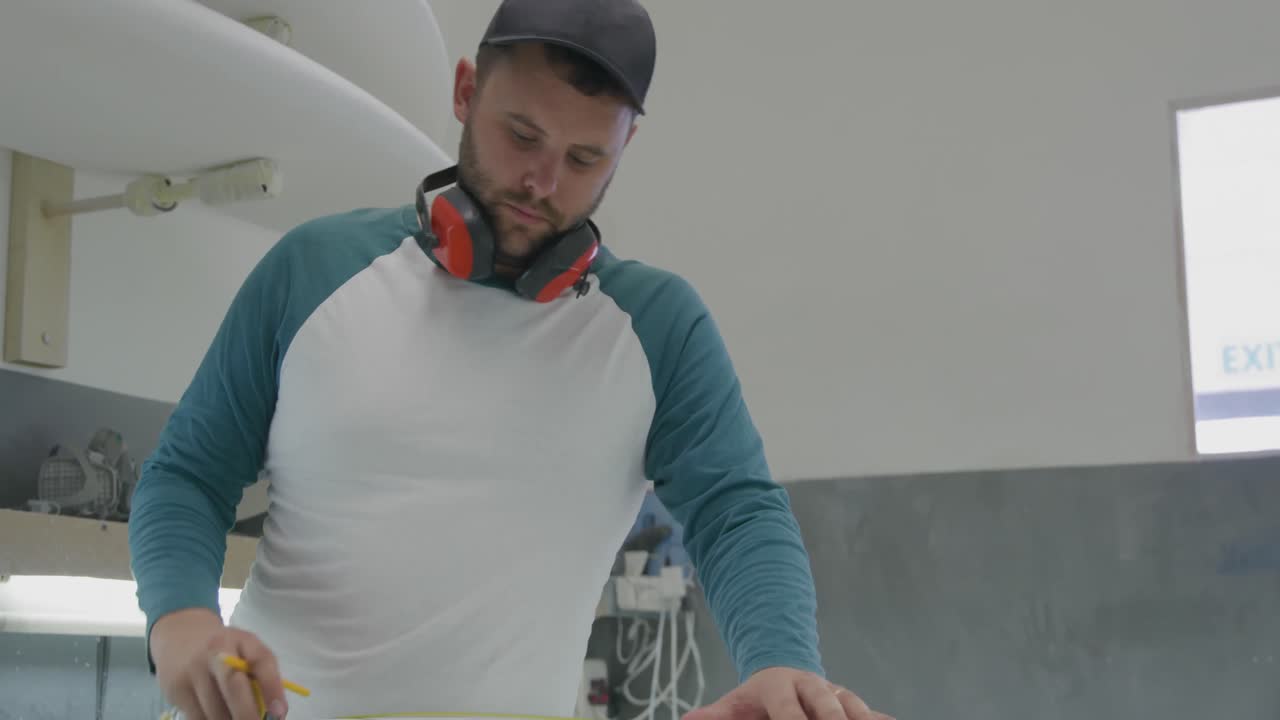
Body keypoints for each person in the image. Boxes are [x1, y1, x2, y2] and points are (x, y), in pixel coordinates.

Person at [127, 1, 892, 719]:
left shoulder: (659, 329)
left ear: (625, 149)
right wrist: (183, 624)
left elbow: (737, 512)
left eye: (585, 157)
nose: (542, 183)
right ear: (465, 92)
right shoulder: (313, 269)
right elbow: (189, 474)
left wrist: (781, 662)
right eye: (521, 136)